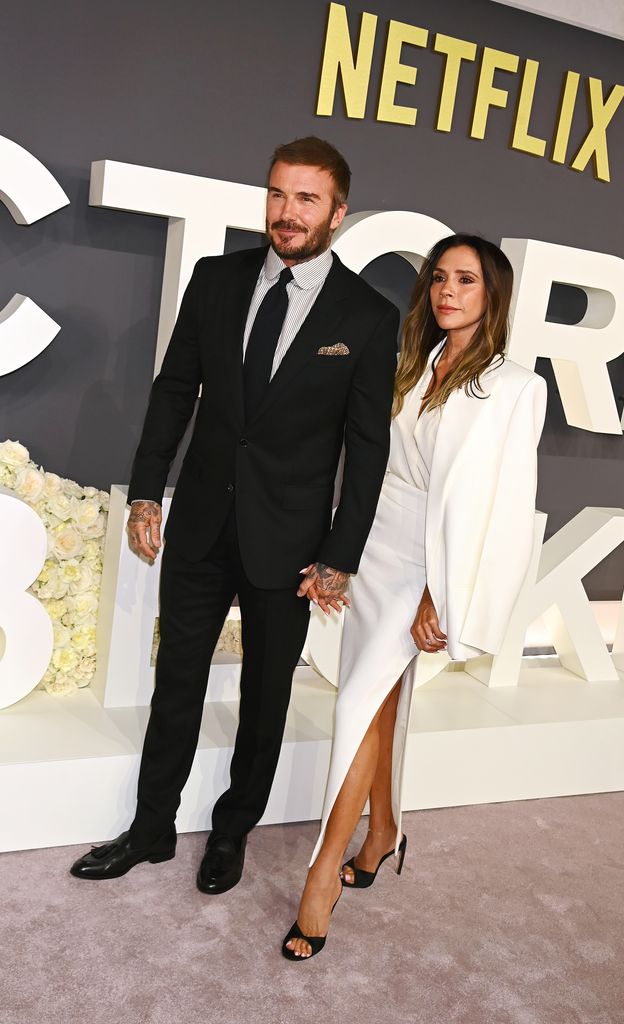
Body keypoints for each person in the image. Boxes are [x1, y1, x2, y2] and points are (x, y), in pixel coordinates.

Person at [70, 137, 399, 892]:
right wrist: (148, 488)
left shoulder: (369, 316)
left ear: (338, 213)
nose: (288, 212)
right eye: (279, 194)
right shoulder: (216, 280)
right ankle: (151, 828)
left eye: (307, 199)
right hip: (201, 526)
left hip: (291, 545)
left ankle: (230, 833)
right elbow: (174, 389)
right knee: (177, 680)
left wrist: (340, 555)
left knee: (265, 698)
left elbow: (367, 448)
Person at [283, 233, 547, 960]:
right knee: (383, 701)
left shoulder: (518, 387)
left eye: (465, 279)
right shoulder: (412, 364)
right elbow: (368, 467)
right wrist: (339, 551)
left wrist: (443, 590)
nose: (446, 290)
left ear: (493, 294)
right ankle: (384, 833)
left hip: (425, 568)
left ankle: (320, 879)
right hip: (373, 548)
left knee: (355, 702)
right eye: (438, 278)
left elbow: (503, 507)